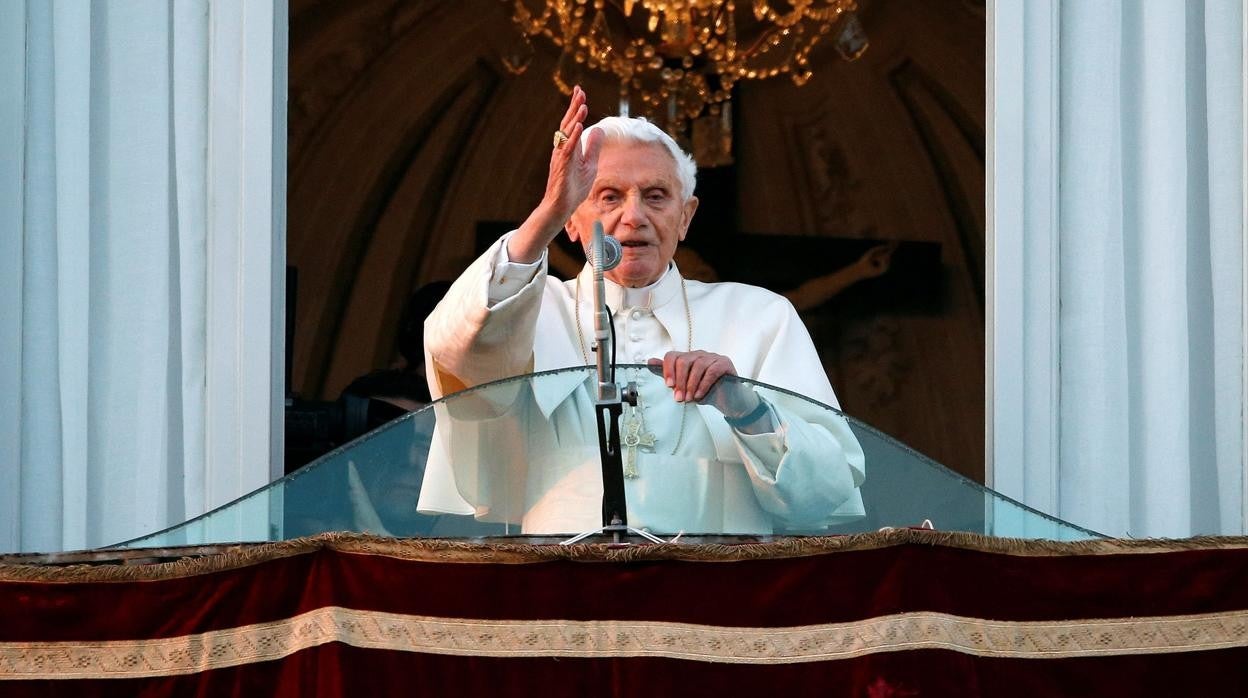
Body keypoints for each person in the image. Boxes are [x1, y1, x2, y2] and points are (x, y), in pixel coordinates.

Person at [417, 86, 865, 534]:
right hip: (560, 589)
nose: (634, 216)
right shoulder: (528, 307)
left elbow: (826, 491)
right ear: (570, 219)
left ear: (686, 217)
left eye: (655, 196)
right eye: (608, 196)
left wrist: (747, 409)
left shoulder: (760, 317)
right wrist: (547, 214)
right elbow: (458, 349)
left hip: (717, 590)